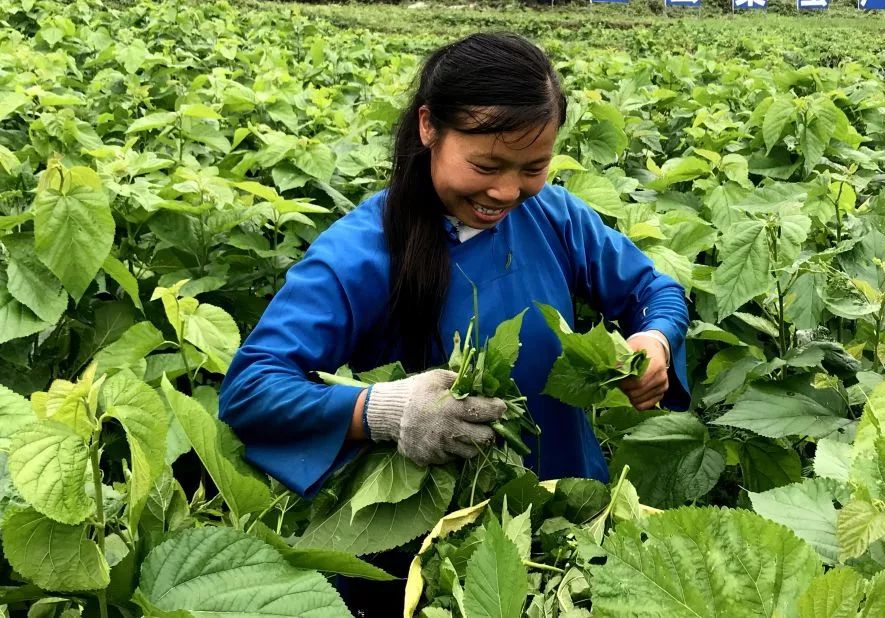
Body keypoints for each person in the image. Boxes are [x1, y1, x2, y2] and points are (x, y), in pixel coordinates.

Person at [217, 31, 689, 605]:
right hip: (421, 553)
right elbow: (252, 389)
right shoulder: (361, 251)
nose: (508, 190)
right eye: (487, 164)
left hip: (567, 516)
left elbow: (652, 289)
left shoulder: (554, 214)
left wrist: (655, 341)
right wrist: (388, 411)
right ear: (428, 128)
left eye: (534, 166)